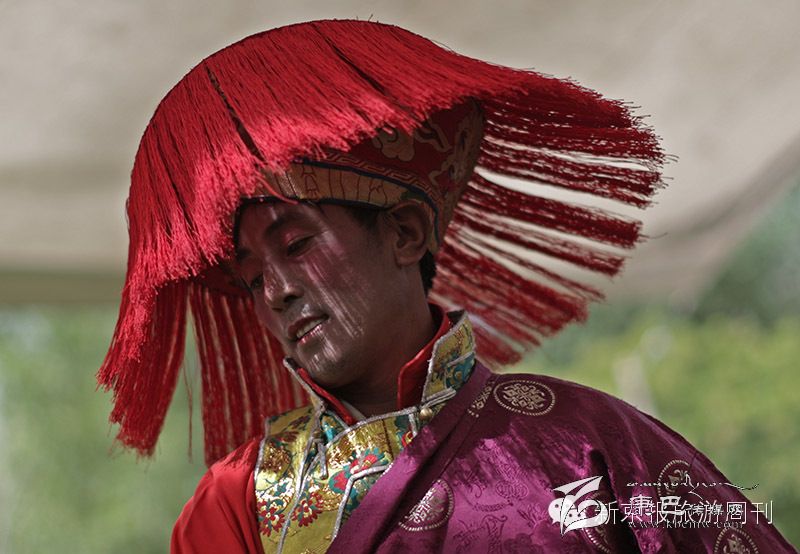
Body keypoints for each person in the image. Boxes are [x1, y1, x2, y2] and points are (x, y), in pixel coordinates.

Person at [97, 20, 795, 553]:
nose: (276, 292)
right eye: (251, 279)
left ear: (404, 233)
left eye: (298, 244)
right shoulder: (238, 505)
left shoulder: (594, 445)